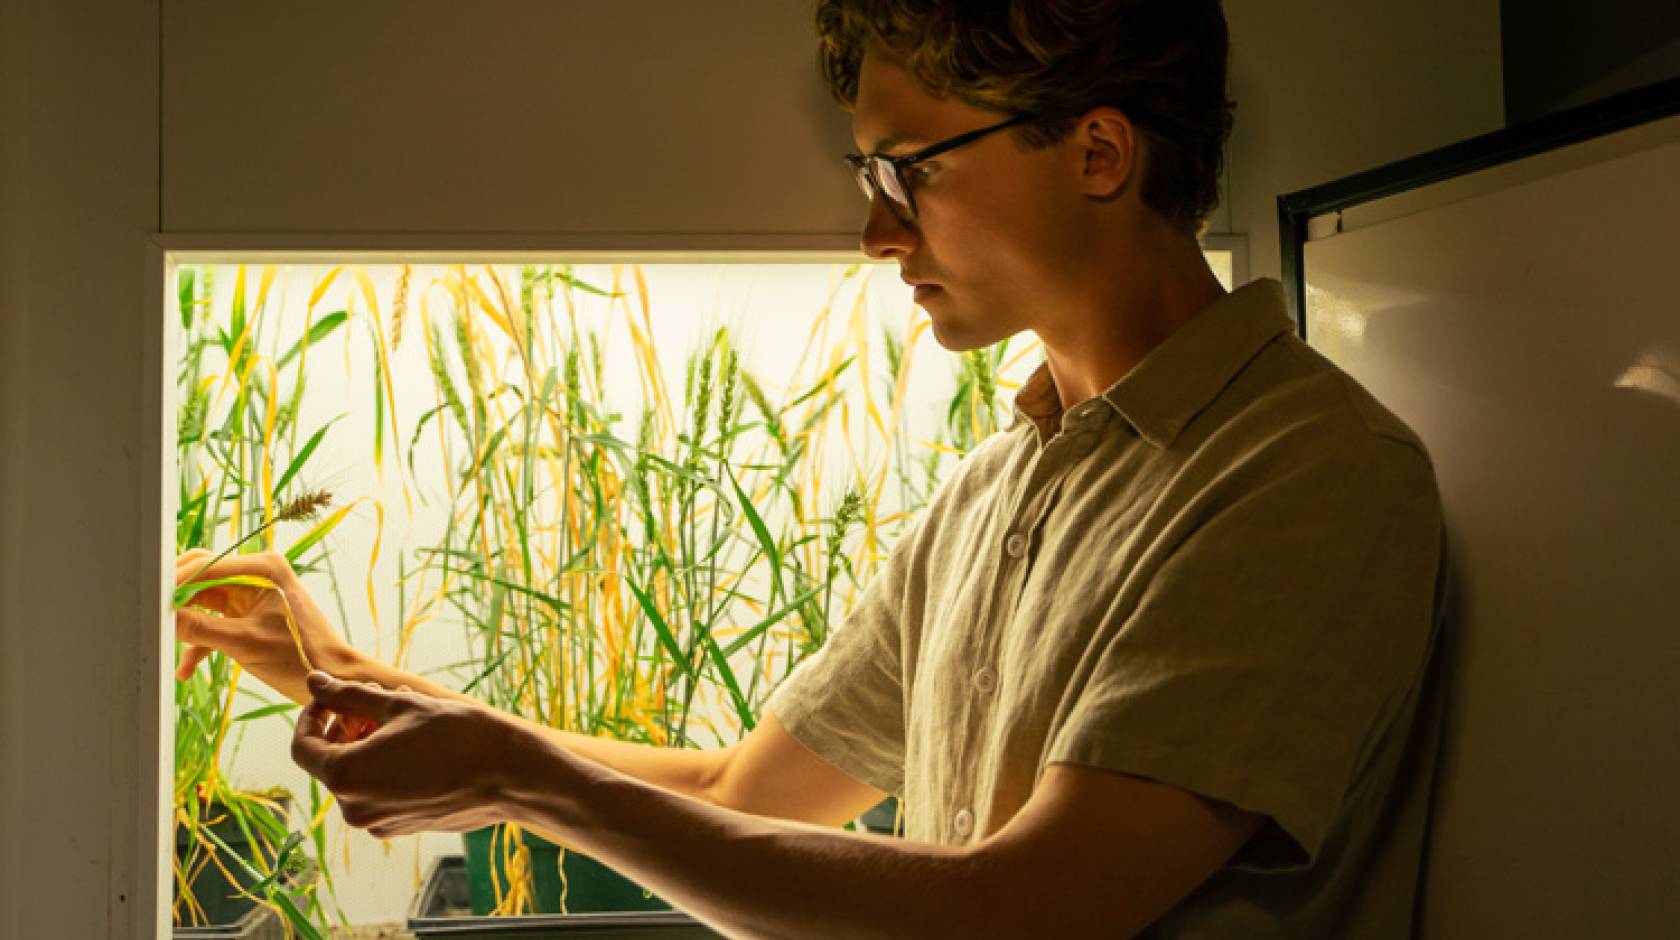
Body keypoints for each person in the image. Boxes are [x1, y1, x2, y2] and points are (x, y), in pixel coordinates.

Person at [173, 1, 1448, 936]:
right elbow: (744, 794)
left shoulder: (1305, 476)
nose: (876, 228)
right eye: (868, 174)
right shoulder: (1002, 485)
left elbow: (1024, 915)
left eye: (912, 171)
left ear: (1099, 153)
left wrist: (516, 780)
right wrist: (341, 673)